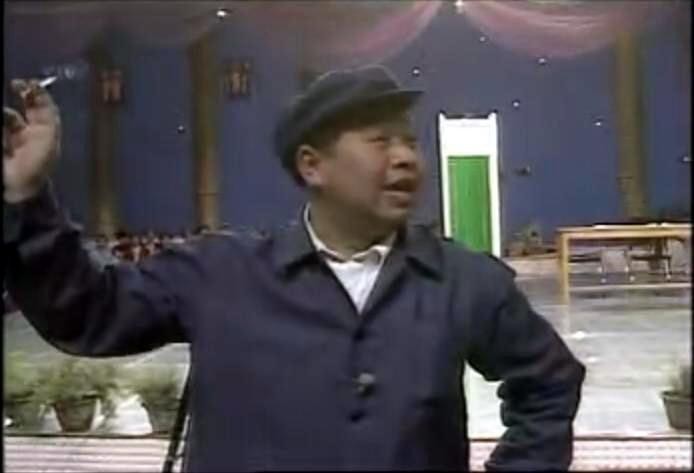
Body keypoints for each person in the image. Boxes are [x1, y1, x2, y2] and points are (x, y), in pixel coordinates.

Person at [3, 66, 585, 471]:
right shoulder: (220, 274)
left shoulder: (464, 281)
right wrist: (28, 196)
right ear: (313, 166)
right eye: (381, 141)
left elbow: (550, 382)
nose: (407, 157)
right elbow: (87, 312)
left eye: (410, 142)